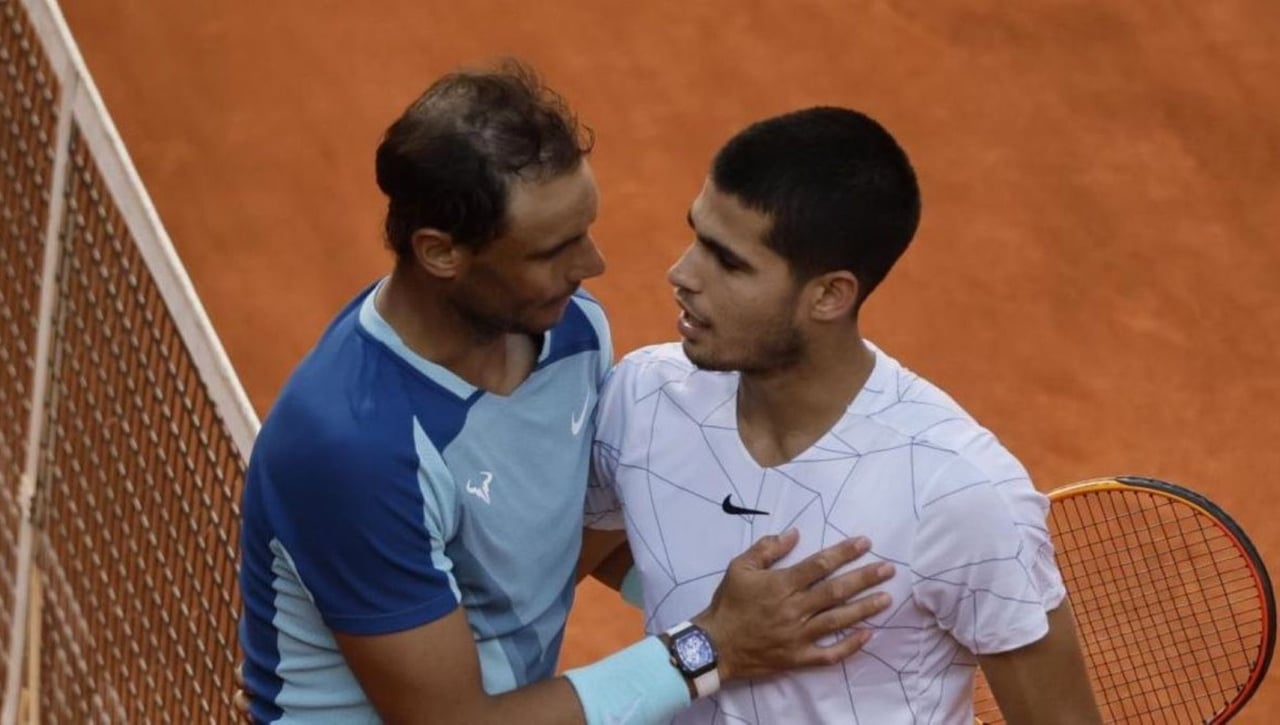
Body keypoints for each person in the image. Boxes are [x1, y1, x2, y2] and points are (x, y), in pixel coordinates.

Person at [237, 61, 895, 724]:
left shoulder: (571, 331)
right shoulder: (353, 448)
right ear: (440, 253)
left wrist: (789, 614)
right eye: (553, 249)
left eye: (584, 230)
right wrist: (713, 643)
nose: (591, 266)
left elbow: (560, 546)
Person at [586, 107, 1102, 723]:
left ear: (830, 294)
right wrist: (729, 630)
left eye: (729, 263)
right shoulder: (644, 399)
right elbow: (583, 553)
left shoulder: (958, 491)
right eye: (697, 235)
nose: (683, 274)